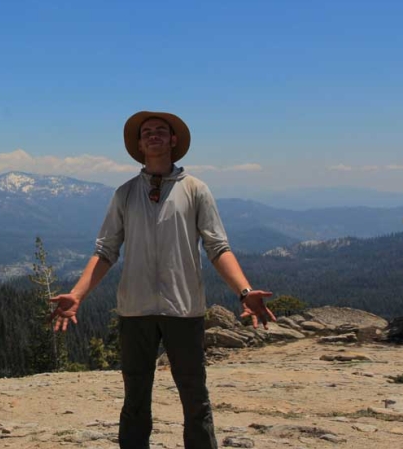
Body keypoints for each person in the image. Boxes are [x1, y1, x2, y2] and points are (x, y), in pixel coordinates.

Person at [49, 111, 276, 449]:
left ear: (173, 141)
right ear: (139, 145)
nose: (153, 135)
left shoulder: (196, 190)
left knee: (195, 399)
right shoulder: (124, 194)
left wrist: (244, 292)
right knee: (135, 400)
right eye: (147, 132)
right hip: (135, 310)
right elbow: (106, 250)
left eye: (160, 131)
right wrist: (78, 295)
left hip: (184, 310)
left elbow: (217, 247)